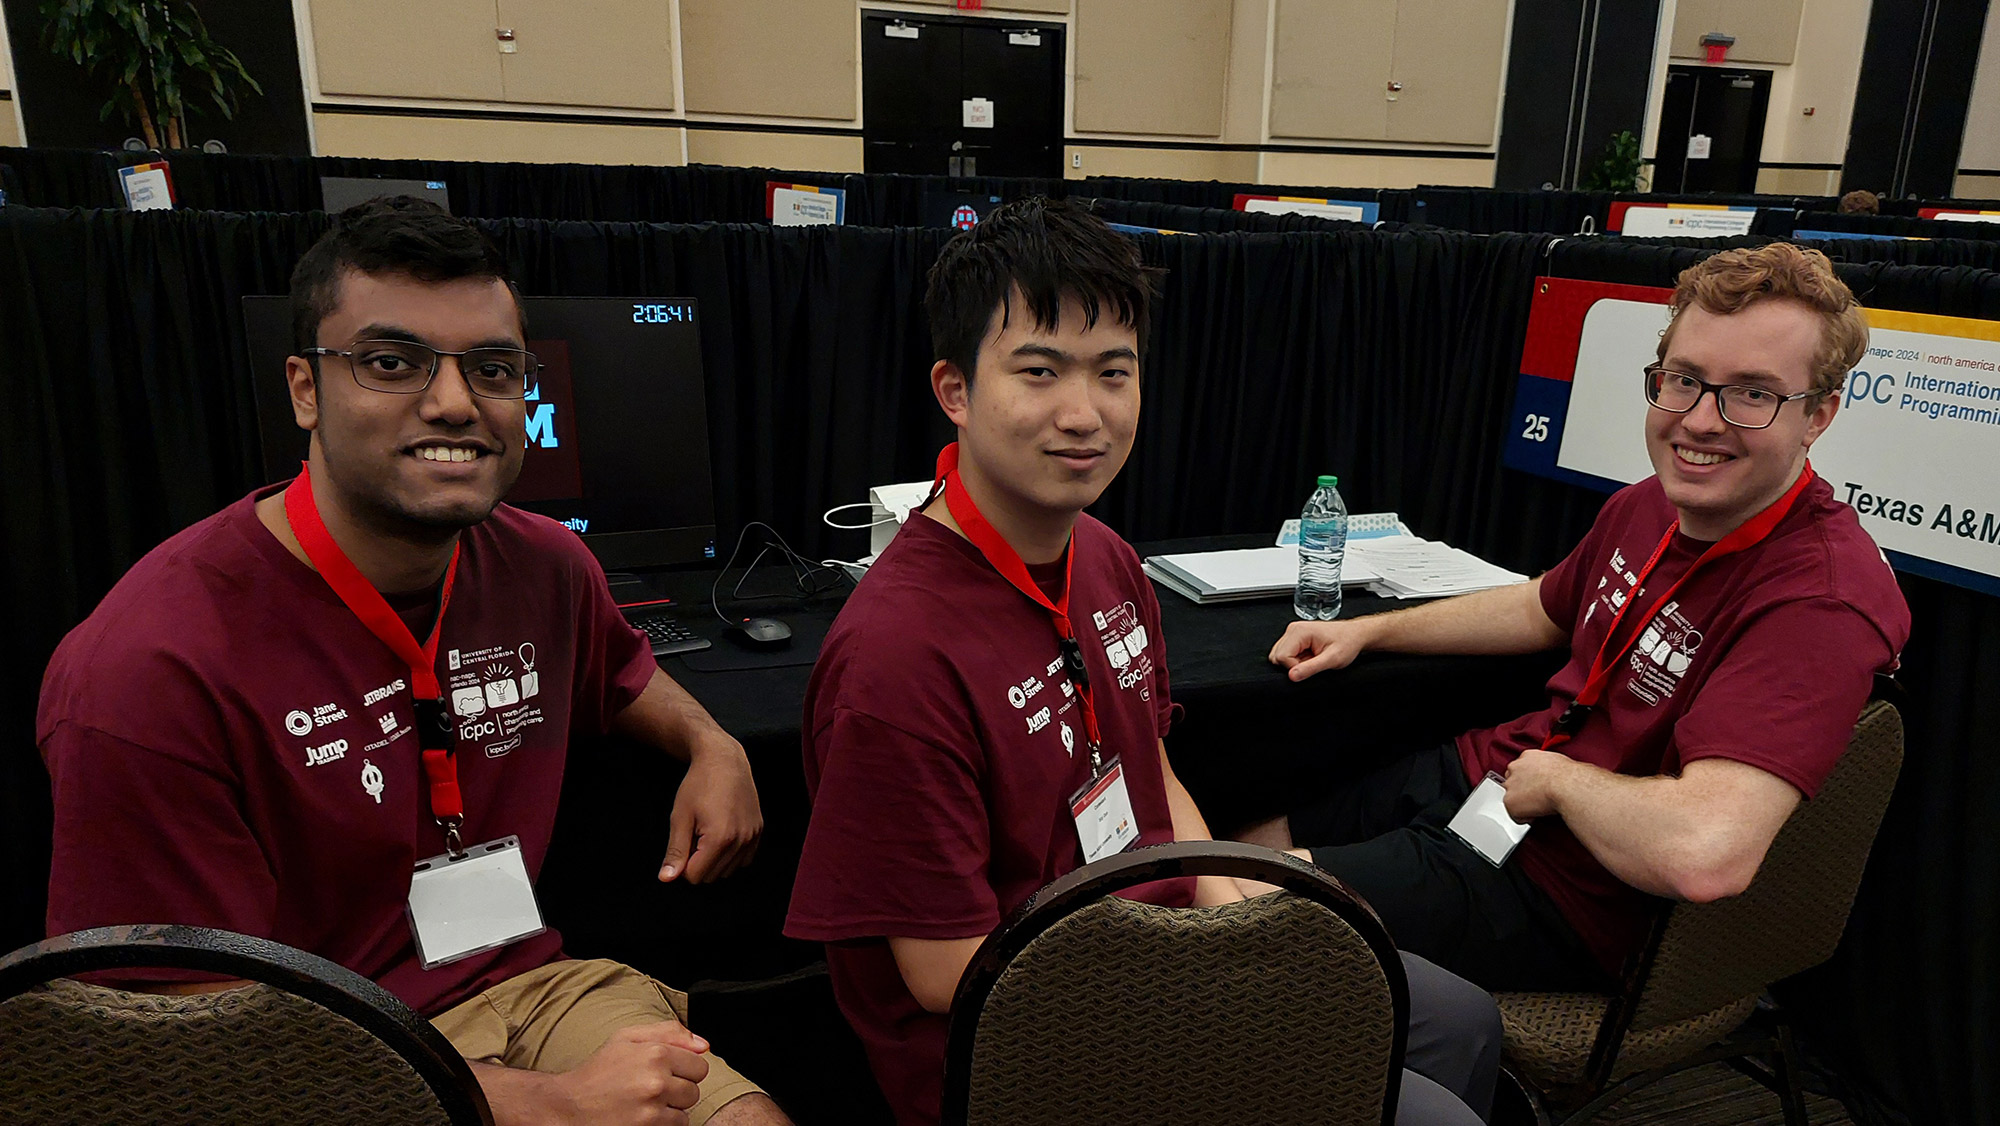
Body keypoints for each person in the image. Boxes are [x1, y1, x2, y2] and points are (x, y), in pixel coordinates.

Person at [39, 198, 789, 1126]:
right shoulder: (149, 668)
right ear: (305, 389)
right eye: (391, 364)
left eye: (493, 368)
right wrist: (547, 1108)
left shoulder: (545, 566)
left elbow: (625, 673)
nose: (453, 402)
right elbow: (189, 1051)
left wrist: (714, 745)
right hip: (303, 1059)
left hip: (521, 984)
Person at [785, 198, 1501, 1126]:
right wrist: (1212, 987)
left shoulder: (1107, 559)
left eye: (1113, 373)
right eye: (1038, 372)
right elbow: (939, 974)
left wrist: (1225, 902)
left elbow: (1147, 768)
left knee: (1459, 1018)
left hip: (1156, 940)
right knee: (1428, 1110)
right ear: (954, 390)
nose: (1083, 414)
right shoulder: (896, 656)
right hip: (1024, 1040)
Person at [1254, 242, 1912, 993]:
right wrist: (1369, 630)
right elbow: (1545, 606)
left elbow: (1708, 852)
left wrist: (1567, 785)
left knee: (1241, 907)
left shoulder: (1820, 599)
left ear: (1818, 417)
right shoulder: (1652, 502)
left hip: (1563, 891)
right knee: (1242, 840)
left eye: (1753, 394)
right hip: (1491, 783)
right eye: (1685, 381)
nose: (1701, 421)